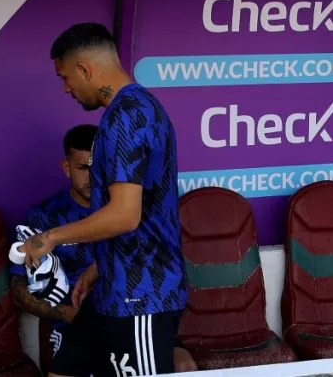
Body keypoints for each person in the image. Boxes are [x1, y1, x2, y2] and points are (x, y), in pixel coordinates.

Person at [20, 23, 187, 376]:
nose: (66, 88)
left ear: (84, 69)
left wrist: (50, 238)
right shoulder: (131, 110)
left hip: (141, 296)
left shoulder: (127, 116)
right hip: (113, 287)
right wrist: (100, 267)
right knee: (64, 370)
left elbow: (125, 215)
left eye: (66, 77)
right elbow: (139, 208)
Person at [11, 126, 196, 374]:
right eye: (83, 168)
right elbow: (19, 289)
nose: (93, 176)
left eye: (99, 166)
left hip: (133, 317)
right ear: (67, 168)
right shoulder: (45, 216)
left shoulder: (129, 211)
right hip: (75, 325)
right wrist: (65, 313)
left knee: (183, 364)